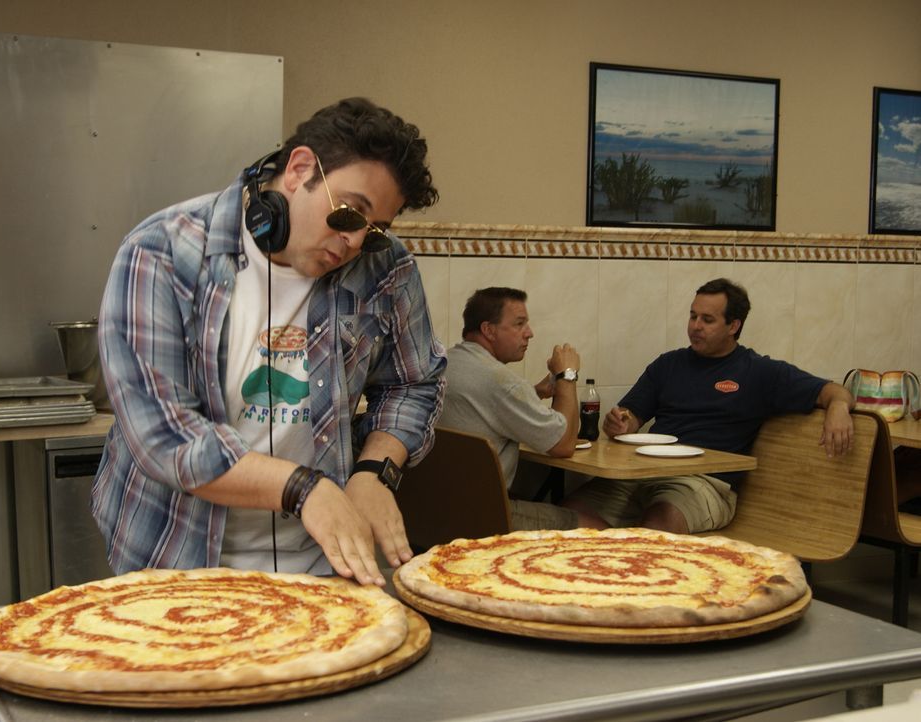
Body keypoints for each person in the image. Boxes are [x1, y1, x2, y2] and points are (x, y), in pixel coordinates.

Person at [92, 98, 446, 587]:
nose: (354, 244)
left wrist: (375, 471)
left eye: (375, 230)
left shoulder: (386, 269)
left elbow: (413, 382)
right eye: (349, 214)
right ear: (300, 169)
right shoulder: (162, 253)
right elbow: (164, 438)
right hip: (177, 563)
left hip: (325, 566)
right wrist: (304, 488)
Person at [560, 278, 855, 535]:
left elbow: (833, 391)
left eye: (707, 320)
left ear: (733, 326)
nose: (695, 327)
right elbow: (631, 418)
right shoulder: (668, 364)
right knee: (567, 516)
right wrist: (621, 423)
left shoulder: (759, 372)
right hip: (644, 474)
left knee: (659, 523)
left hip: (705, 483)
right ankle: (617, 564)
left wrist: (839, 407)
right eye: (692, 316)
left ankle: (642, 569)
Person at [438, 287, 582, 530]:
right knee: (599, 529)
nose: (530, 333)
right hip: (482, 517)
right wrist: (567, 375)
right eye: (519, 324)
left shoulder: (444, 363)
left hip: (435, 510)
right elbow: (564, 445)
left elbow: (484, 410)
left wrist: (533, 393)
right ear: (488, 330)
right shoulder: (500, 382)